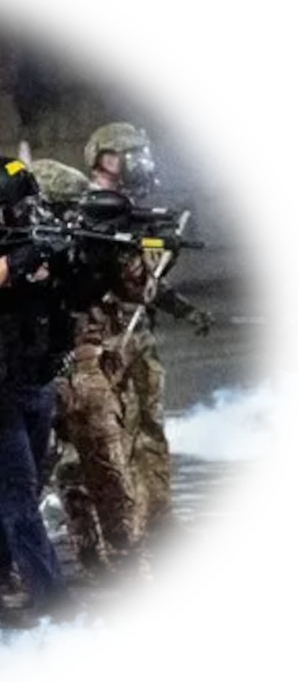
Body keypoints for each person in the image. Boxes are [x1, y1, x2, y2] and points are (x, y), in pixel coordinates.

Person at [0, 156, 104, 618]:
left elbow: (77, 298)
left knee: (12, 496)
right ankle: (54, 602)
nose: (31, 214)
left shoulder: (37, 239)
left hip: (35, 385)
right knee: (18, 497)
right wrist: (13, 263)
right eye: (23, 207)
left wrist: (86, 261)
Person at [83, 122, 212, 541]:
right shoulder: (87, 210)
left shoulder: (133, 211)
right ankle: (113, 526)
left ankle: (156, 515)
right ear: (104, 158)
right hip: (103, 341)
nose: (138, 163)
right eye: (128, 155)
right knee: (110, 435)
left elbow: (147, 282)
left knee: (149, 430)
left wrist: (183, 308)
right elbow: (116, 278)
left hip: (138, 337)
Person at [30, 157, 140, 576]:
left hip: (86, 369)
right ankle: (10, 570)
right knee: (27, 481)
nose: (73, 216)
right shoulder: (21, 251)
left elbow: (135, 293)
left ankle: (116, 561)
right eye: (64, 208)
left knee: (105, 471)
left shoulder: (86, 246)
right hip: (37, 374)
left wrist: (116, 255)